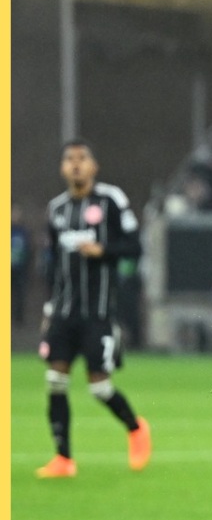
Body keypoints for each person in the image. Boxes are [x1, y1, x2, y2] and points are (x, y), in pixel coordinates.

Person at [35, 140, 152, 479]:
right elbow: (51, 264)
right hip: (62, 313)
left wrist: (102, 250)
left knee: (99, 386)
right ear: (62, 168)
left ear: (93, 167)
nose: (75, 165)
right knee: (55, 380)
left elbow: (134, 246)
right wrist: (48, 307)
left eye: (82, 159)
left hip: (98, 313)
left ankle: (135, 428)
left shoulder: (110, 200)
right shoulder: (56, 209)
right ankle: (63, 458)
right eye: (69, 159)